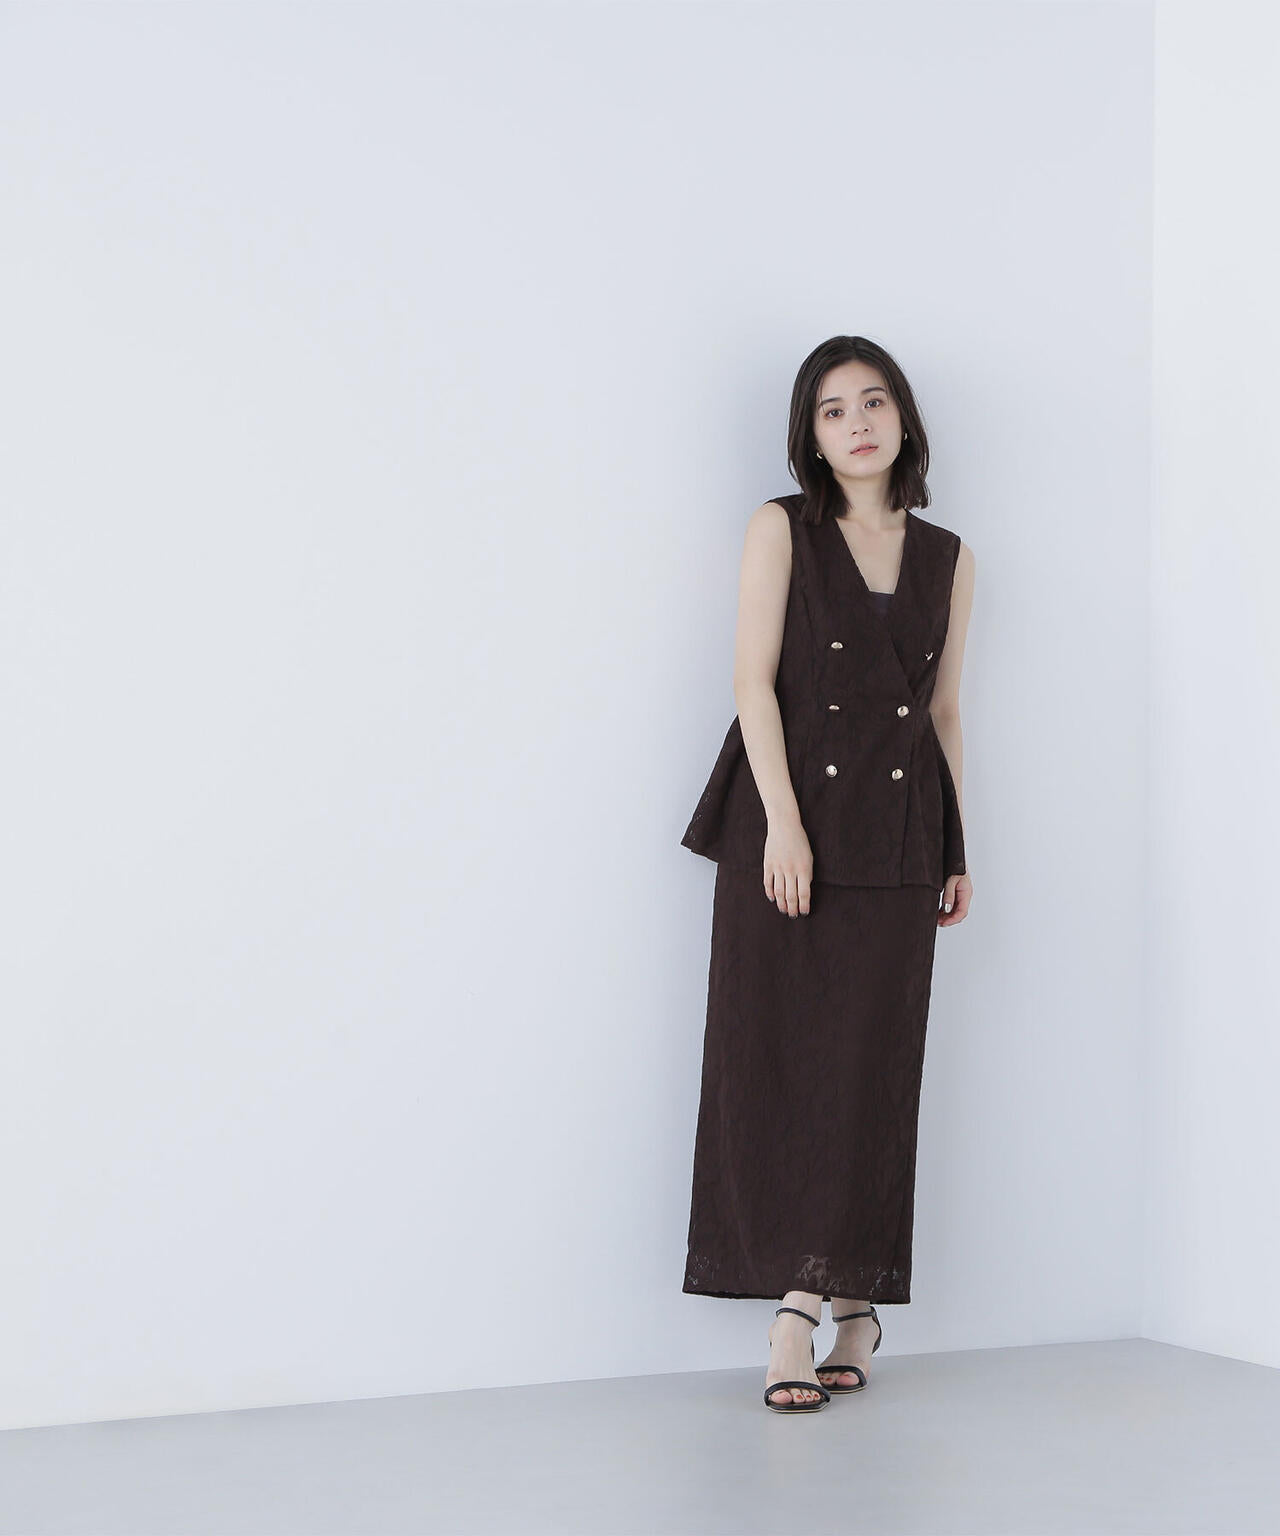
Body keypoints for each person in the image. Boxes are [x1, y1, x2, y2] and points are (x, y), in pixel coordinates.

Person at [679, 335, 974, 1413]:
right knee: (777, 1064)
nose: (856, 423)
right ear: (808, 434)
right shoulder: (781, 528)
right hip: (787, 831)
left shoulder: (948, 557)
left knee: (872, 1071)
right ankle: (800, 1311)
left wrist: (954, 847)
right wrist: (783, 828)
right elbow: (751, 684)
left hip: (898, 837)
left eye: (873, 401)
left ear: (903, 419)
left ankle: (847, 1307)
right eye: (832, 408)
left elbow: (943, 712)